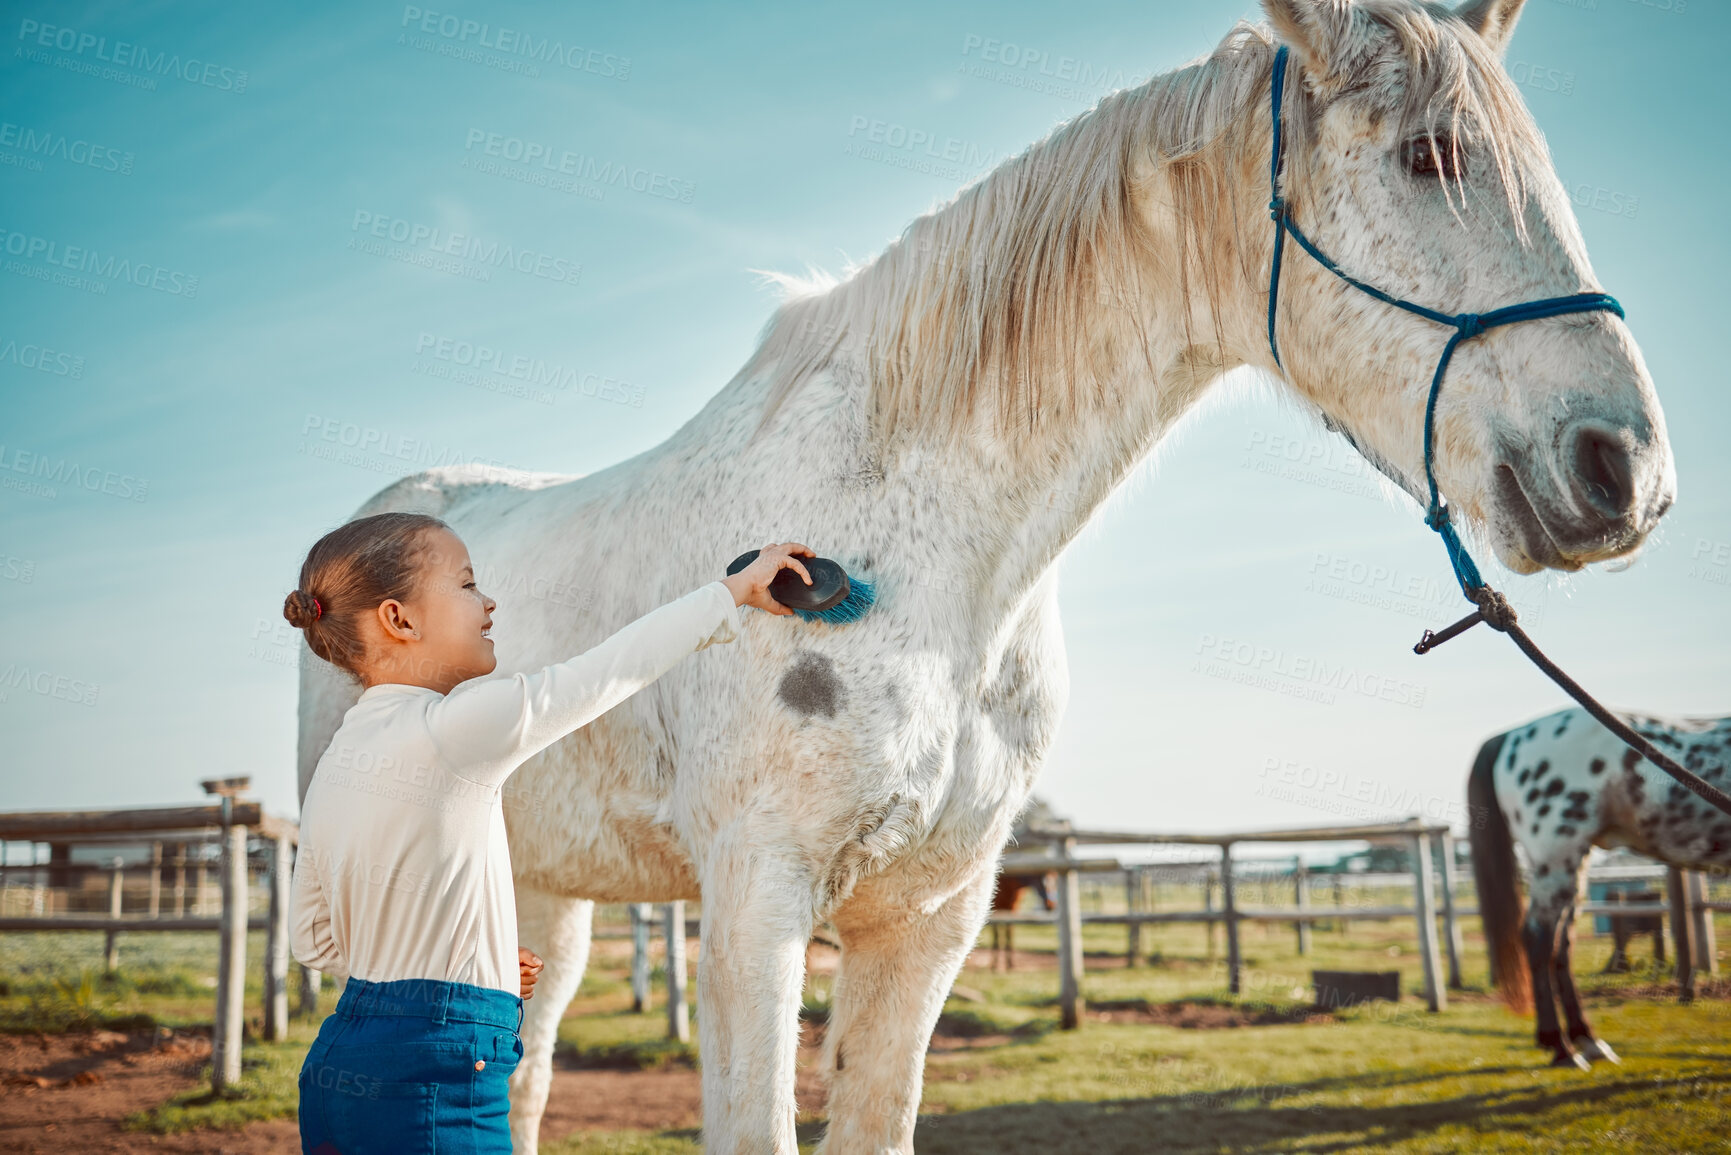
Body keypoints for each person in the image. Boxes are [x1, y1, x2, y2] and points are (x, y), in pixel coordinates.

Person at [283, 511, 812, 1154]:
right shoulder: (454, 729)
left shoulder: (340, 761)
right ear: (400, 620)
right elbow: (607, 671)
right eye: (467, 584)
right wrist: (732, 593)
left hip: (340, 1068)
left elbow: (312, 940)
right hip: (438, 1076)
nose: (488, 601)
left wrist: (469, 962)